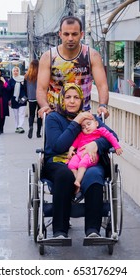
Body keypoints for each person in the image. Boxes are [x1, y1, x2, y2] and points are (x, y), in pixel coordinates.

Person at [43, 83, 119, 240]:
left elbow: (112, 137)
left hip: (86, 161)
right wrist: (76, 122)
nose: (72, 101)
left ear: (82, 100)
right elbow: (58, 146)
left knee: (94, 174)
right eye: (68, 97)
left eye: (76, 97)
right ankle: (60, 232)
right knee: (65, 175)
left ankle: (93, 231)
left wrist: (96, 144)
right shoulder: (53, 118)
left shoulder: (90, 118)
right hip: (58, 162)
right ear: (62, 99)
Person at [37, 15, 109, 119]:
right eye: (66, 34)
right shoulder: (48, 57)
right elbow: (41, 88)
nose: (70, 38)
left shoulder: (92, 55)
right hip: (55, 116)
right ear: (60, 34)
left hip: (83, 117)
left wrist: (102, 106)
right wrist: (44, 106)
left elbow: (102, 85)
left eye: (74, 34)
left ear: (81, 34)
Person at [67, 111, 123, 192]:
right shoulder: (81, 134)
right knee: (71, 164)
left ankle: (78, 181)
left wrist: (117, 147)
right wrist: (71, 149)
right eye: (83, 127)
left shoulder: (100, 131)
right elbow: (75, 143)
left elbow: (111, 137)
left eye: (89, 124)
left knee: (83, 162)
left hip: (91, 155)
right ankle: (77, 178)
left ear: (96, 123)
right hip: (79, 154)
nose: (86, 127)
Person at [25, 59, 42, 138]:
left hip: (31, 97)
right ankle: (38, 133)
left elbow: (25, 88)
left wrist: (27, 96)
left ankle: (30, 127)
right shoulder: (41, 75)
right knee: (39, 115)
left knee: (31, 115)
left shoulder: (27, 76)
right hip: (40, 97)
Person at [9, 66, 27, 134]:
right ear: (12, 72)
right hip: (14, 99)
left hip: (23, 98)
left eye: (17, 71)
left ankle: (20, 126)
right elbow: (9, 91)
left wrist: (26, 97)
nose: (15, 72)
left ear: (19, 71)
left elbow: (26, 89)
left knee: (21, 113)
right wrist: (9, 100)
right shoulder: (11, 80)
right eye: (14, 71)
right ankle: (17, 126)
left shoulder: (23, 79)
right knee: (16, 114)